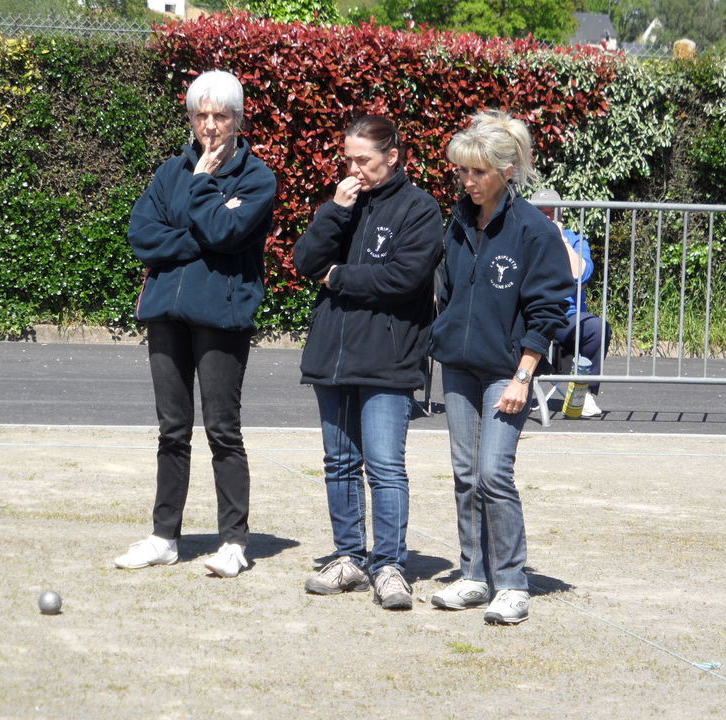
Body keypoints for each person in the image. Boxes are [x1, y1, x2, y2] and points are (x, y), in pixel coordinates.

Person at [114, 70, 277, 578]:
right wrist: (199, 238)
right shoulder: (169, 172)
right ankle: (165, 537)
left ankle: (233, 542)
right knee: (172, 430)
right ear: (190, 117)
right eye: (201, 115)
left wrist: (203, 187)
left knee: (223, 430)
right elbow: (143, 235)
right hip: (165, 314)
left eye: (220, 115)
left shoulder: (257, 178)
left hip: (222, 318)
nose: (209, 125)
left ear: (238, 119)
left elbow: (227, 231)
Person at [429, 111, 574, 624]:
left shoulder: (534, 229)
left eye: (478, 172)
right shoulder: (458, 221)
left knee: (493, 473)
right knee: (465, 474)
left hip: (506, 372)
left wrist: (523, 376)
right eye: (462, 171)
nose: (467, 181)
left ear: (506, 171)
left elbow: (549, 309)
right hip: (458, 367)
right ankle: (474, 575)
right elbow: (448, 288)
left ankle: (511, 583)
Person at [293, 115, 443, 610]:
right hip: (332, 357)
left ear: (392, 157)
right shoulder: (344, 203)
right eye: (348, 159)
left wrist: (338, 277)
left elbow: (403, 278)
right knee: (339, 463)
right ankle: (348, 557)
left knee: (385, 466)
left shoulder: (419, 208)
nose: (353, 169)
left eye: (363, 160)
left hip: (388, 359)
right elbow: (305, 261)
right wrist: (334, 211)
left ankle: (390, 566)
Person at [530, 188, 612, 417]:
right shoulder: (523, 237)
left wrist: (560, 239)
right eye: (541, 212)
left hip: (566, 316)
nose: (547, 217)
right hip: (529, 312)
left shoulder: (575, 240)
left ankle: (583, 395)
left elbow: (580, 275)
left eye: (551, 212)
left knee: (596, 328)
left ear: (561, 213)